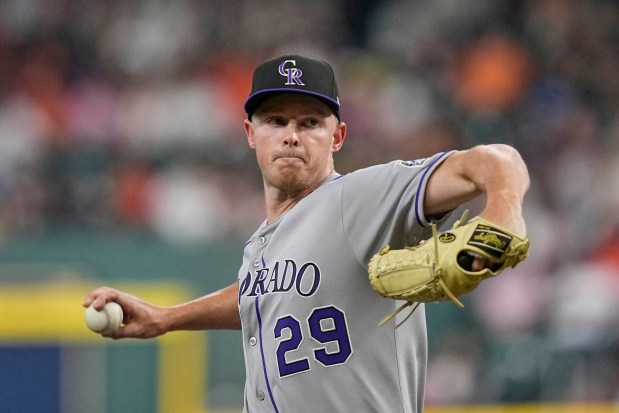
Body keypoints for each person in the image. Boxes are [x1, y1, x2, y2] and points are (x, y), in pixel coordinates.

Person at [83, 55, 529, 412]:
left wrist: (503, 213)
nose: (292, 135)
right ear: (250, 134)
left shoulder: (359, 198)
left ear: (338, 137)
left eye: (310, 122)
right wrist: (167, 318)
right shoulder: (261, 242)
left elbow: (497, 160)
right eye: (275, 121)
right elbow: (261, 297)